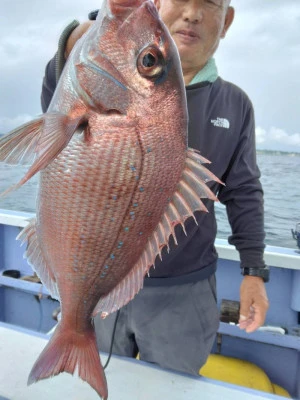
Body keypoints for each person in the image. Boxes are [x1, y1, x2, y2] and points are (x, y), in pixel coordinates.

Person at [41, 0, 269, 376]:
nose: (193, 13)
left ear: (226, 20)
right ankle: (73, 331)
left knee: (173, 387)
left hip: (184, 290)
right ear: (158, 5)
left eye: (209, 3)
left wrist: (254, 271)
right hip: (95, 288)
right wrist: (73, 43)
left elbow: (244, 190)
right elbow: (55, 109)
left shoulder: (235, 103)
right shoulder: (98, 69)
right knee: (83, 385)